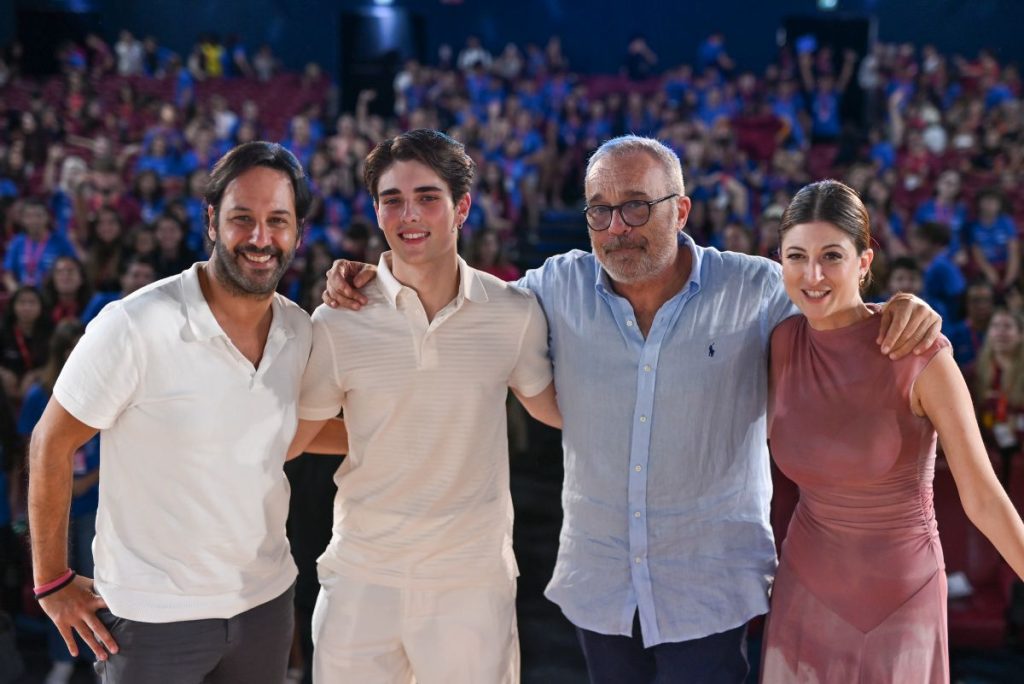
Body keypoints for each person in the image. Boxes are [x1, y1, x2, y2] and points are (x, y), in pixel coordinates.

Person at [323, 135, 940, 682]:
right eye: (601, 211)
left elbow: (834, 306)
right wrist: (372, 281)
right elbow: (462, 301)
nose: (618, 227)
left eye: (637, 207)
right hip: (603, 580)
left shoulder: (754, 290)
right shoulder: (553, 288)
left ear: (682, 210)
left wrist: (897, 308)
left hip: (709, 582)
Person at [27, 141, 315, 683]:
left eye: (278, 220)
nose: (260, 238)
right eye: (242, 219)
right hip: (150, 619)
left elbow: (290, 434)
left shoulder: (299, 329)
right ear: (211, 221)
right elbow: (51, 443)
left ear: (298, 232)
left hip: (264, 605)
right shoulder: (134, 324)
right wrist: (51, 581)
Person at [291, 129, 559, 683]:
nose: (409, 214)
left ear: (461, 206)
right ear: (376, 210)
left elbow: (555, 410)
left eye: (427, 197)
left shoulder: (513, 314)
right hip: (361, 576)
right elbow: (294, 434)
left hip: (470, 582)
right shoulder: (338, 319)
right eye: (393, 199)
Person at [762, 180, 1024, 683]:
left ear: (864, 261)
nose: (812, 275)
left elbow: (982, 495)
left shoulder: (919, 352)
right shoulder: (779, 343)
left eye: (832, 256)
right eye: (797, 255)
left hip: (901, 601)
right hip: (803, 593)